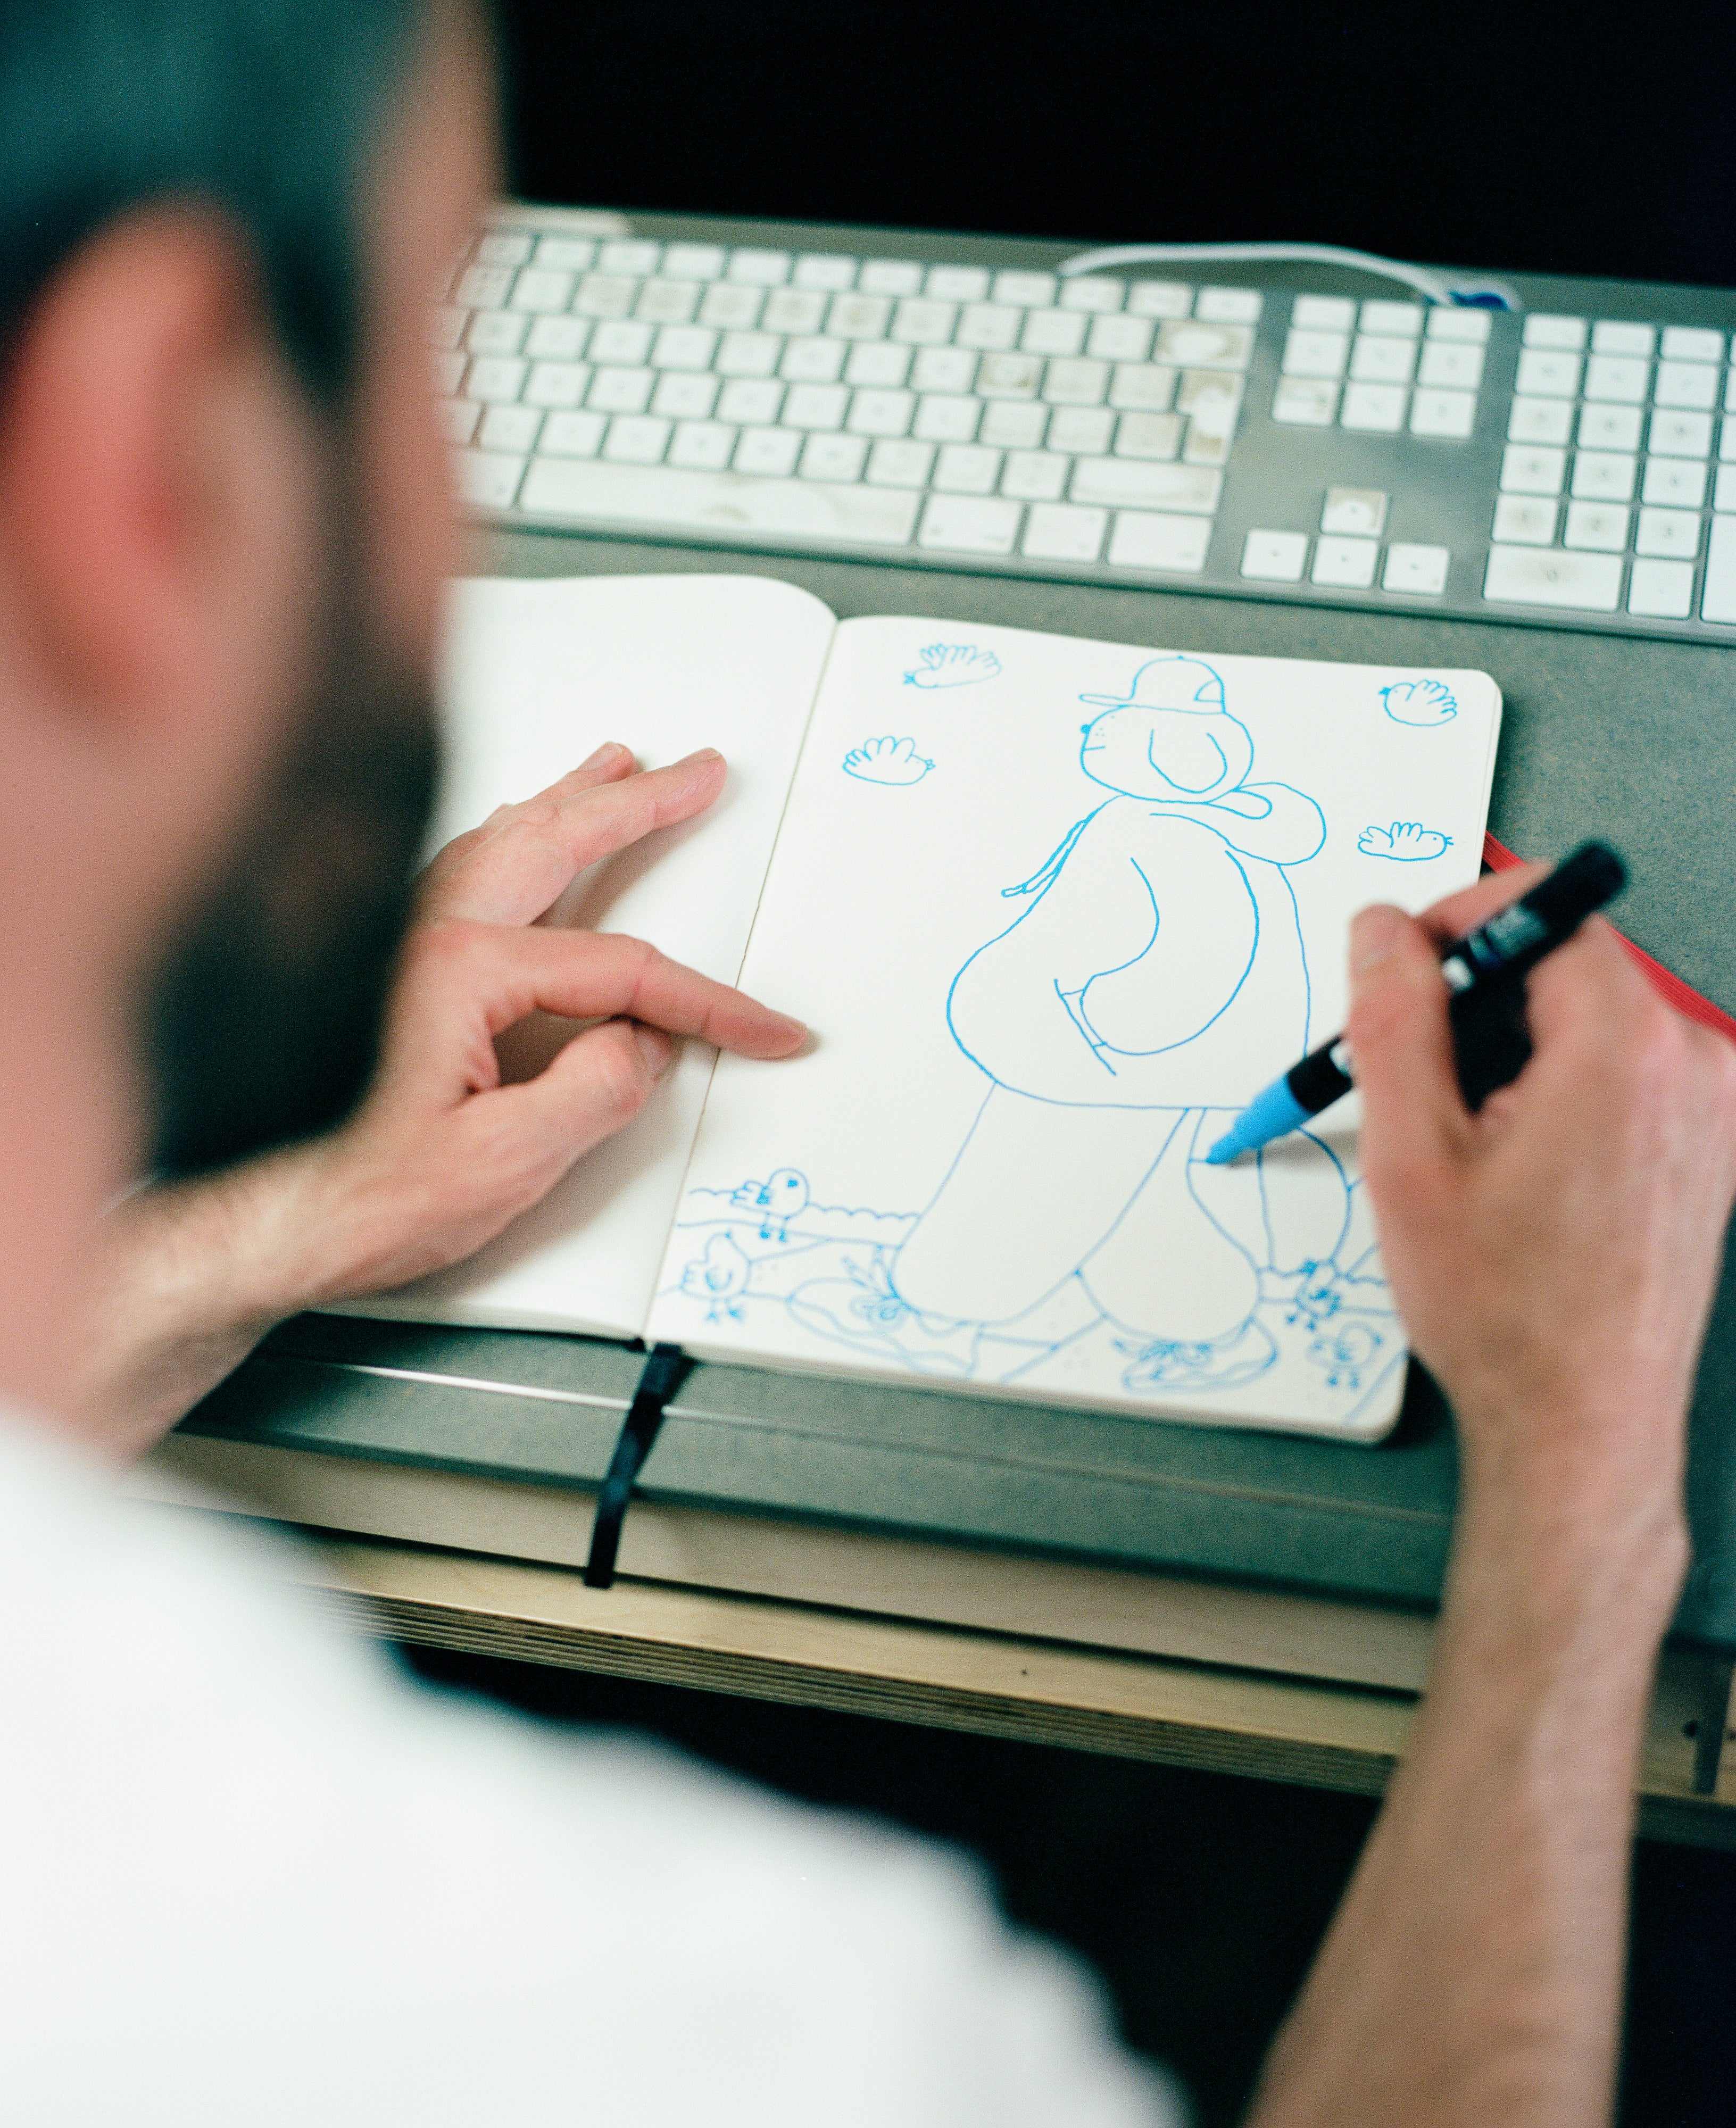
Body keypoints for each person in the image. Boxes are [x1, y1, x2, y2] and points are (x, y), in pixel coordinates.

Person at [1, 2, 1732, 2122]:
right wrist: (1578, 1491)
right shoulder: (738, 2026)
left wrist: (238, 1238)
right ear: (145, 455)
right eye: (445, 337)